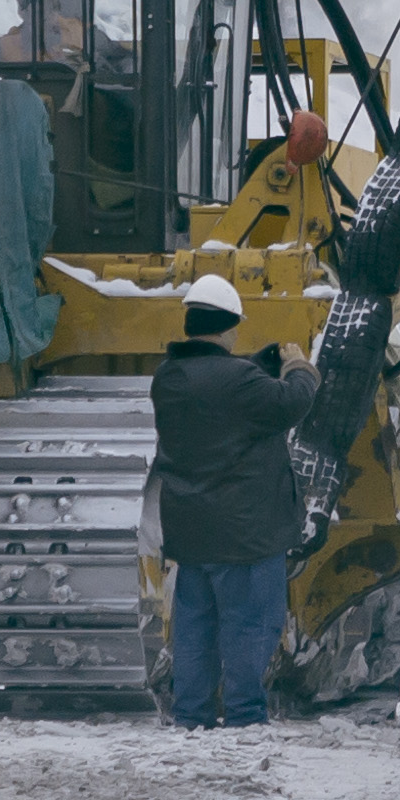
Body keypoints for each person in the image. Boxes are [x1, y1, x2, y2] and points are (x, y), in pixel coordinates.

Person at [149, 272, 322, 730]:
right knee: (249, 629)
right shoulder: (240, 382)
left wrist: (256, 366)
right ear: (229, 327)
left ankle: (191, 717)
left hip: (191, 533)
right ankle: (246, 720)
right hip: (245, 538)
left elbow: (224, 391)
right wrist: (298, 366)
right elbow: (291, 403)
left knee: (195, 633)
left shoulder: (168, 379)